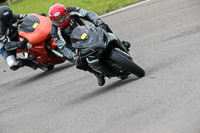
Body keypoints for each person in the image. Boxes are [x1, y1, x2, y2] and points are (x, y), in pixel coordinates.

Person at [48, 3, 130, 86]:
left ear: (66, 13)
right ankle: (97, 73)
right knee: (79, 63)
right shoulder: (54, 31)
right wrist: (73, 55)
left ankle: (118, 42)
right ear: (53, 21)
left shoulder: (71, 10)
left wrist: (97, 21)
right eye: (57, 20)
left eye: (62, 17)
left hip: (87, 32)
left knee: (103, 26)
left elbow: (88, 13)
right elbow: (63, 47)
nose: (61, 20)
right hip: (75, 45)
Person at [0, 6, 38, 71]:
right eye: (5, 19)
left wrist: (39, 17)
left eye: (9, 17)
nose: (8, 20)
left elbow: (28, 17)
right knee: (13, 64)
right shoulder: (1, 29)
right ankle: (26, 62)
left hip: (17, 35)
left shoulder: (15, 17)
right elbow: (7, 44)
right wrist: (18, 44)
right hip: (6, 46)